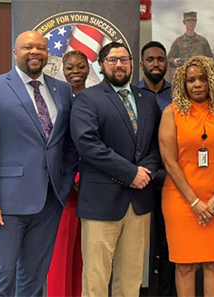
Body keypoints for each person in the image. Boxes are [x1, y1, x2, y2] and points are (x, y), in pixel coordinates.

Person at [0, 30, 78, 297]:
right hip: (6, 204)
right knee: (1, 276)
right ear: (15, 53)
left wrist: (62, 184)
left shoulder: (62, 90)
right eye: (28, 47)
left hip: (50, 201)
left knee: (34, 278)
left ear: (47, 53)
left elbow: (68, 143)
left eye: (40, 48)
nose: (35, 52)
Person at [70, 42, 161, 297]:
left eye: (124, 59)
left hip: (139, 202)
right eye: (112, 60)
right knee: (96, 277)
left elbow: (156, 145)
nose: (119, 65)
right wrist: (130, 173)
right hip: (101, 203)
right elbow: (88, 144)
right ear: (101, 65)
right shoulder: (88, 99)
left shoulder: (148, 100)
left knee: (131, 278)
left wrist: (147, 173)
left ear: (132, 63)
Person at [159, 55, 214, 297]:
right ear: (183, 84)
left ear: (212, 81)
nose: (197, 84)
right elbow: (169, 162)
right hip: (181, 200)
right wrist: (194, 201)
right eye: (191, 80)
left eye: (203, 79)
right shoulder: (171, 114)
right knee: (184, 265)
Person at [133, 41, 176, 297]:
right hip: (139, 178)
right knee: (136, 245)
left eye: (160, 59)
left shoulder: (177, 95)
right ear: (142, 64)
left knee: (167, 242)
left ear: (166, 64)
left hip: (171, 178)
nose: (156, 64)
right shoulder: (130, 93)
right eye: (150, 60)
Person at [46, 50, 89, 297]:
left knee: (82, 257)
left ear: (88, 68)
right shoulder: (56, 101)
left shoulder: (97, 98)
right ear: (63, 70)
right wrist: (71, 178)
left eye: (81, 67)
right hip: (63, 188)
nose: (75, 72)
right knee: (60, 256)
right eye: (70, 67)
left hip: (90, 187)